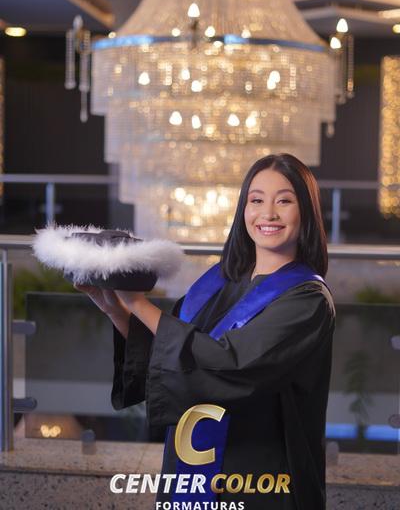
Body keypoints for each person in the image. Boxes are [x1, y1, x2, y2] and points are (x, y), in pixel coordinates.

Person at [76, 153, 335, 510]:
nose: (268, 214)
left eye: (284, 201)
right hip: (191, 464)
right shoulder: (218, 282)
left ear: (305, 211)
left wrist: (137, 302)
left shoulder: (308, 300)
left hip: (258, 475)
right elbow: (170, 355)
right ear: (243, 209)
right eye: (256, 200)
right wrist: (115, 308)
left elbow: (231, 365)